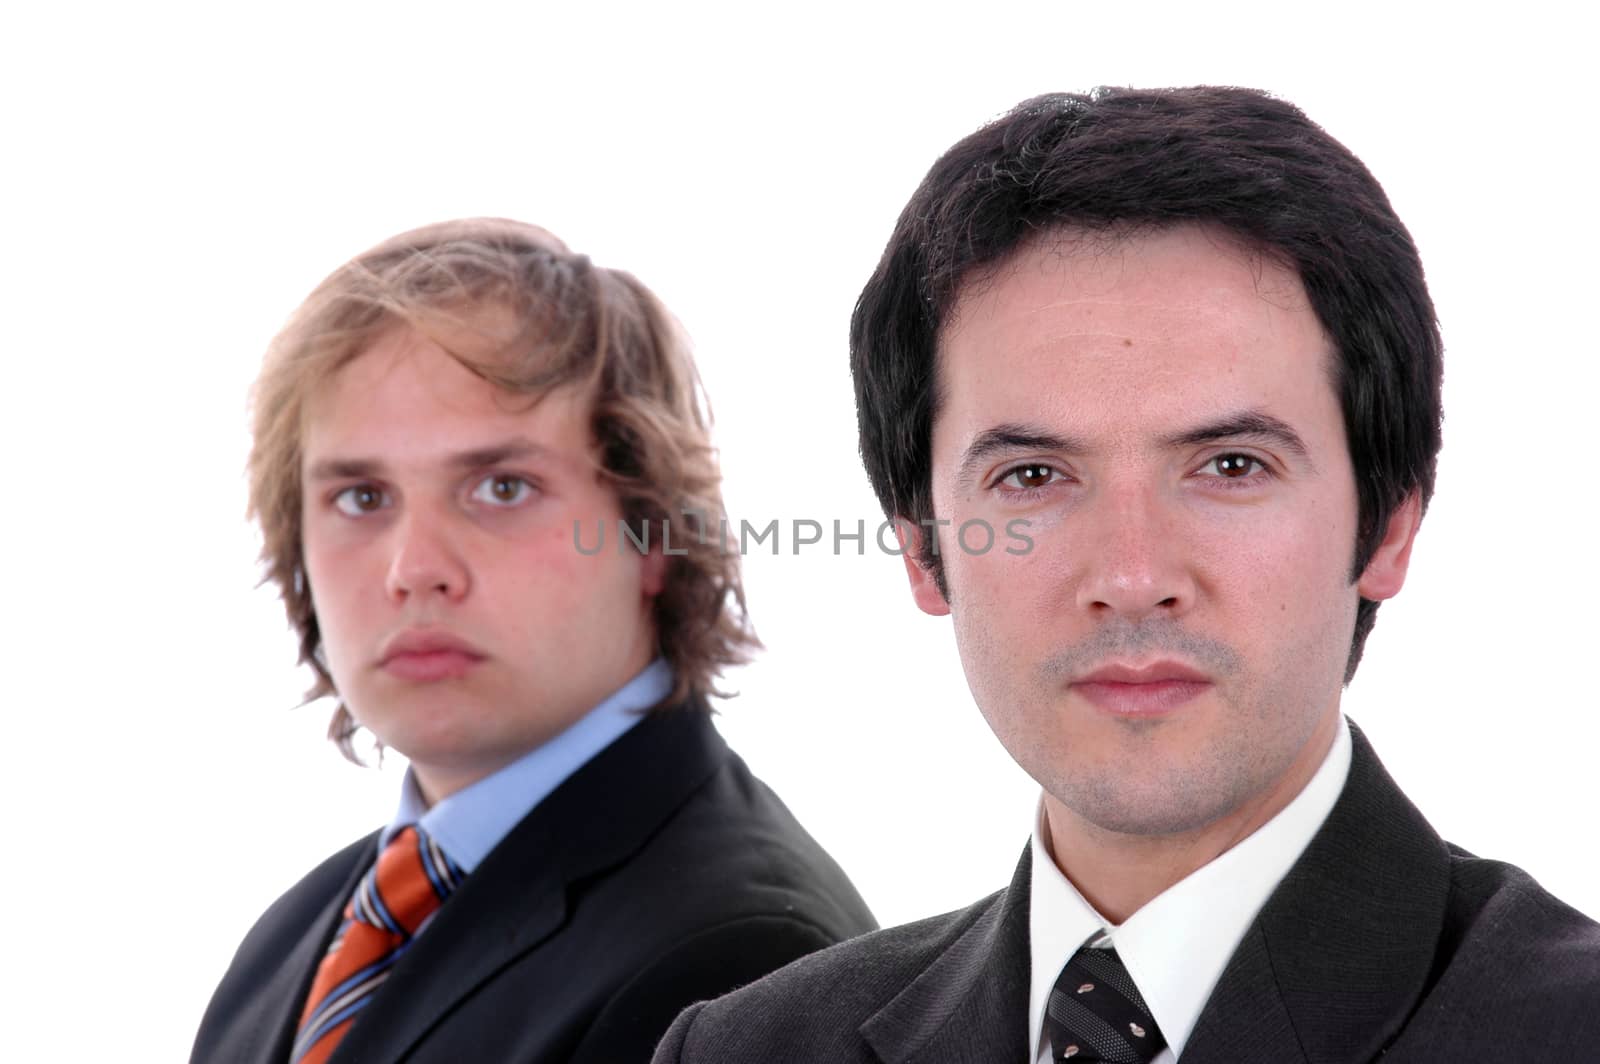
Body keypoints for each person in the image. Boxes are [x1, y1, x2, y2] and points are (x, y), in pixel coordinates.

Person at [652, 87, 1600, 1063]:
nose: (1133, 574)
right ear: (923, 546)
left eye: (1231, 464)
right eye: (1031, 475)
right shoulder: (748, 1045)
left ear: (1391, 522)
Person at [190, 218, 875, 1064]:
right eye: (362, 497)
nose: (414, 568)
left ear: (653, 532)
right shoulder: (294, 939)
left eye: (502, 487)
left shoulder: (742, 963)